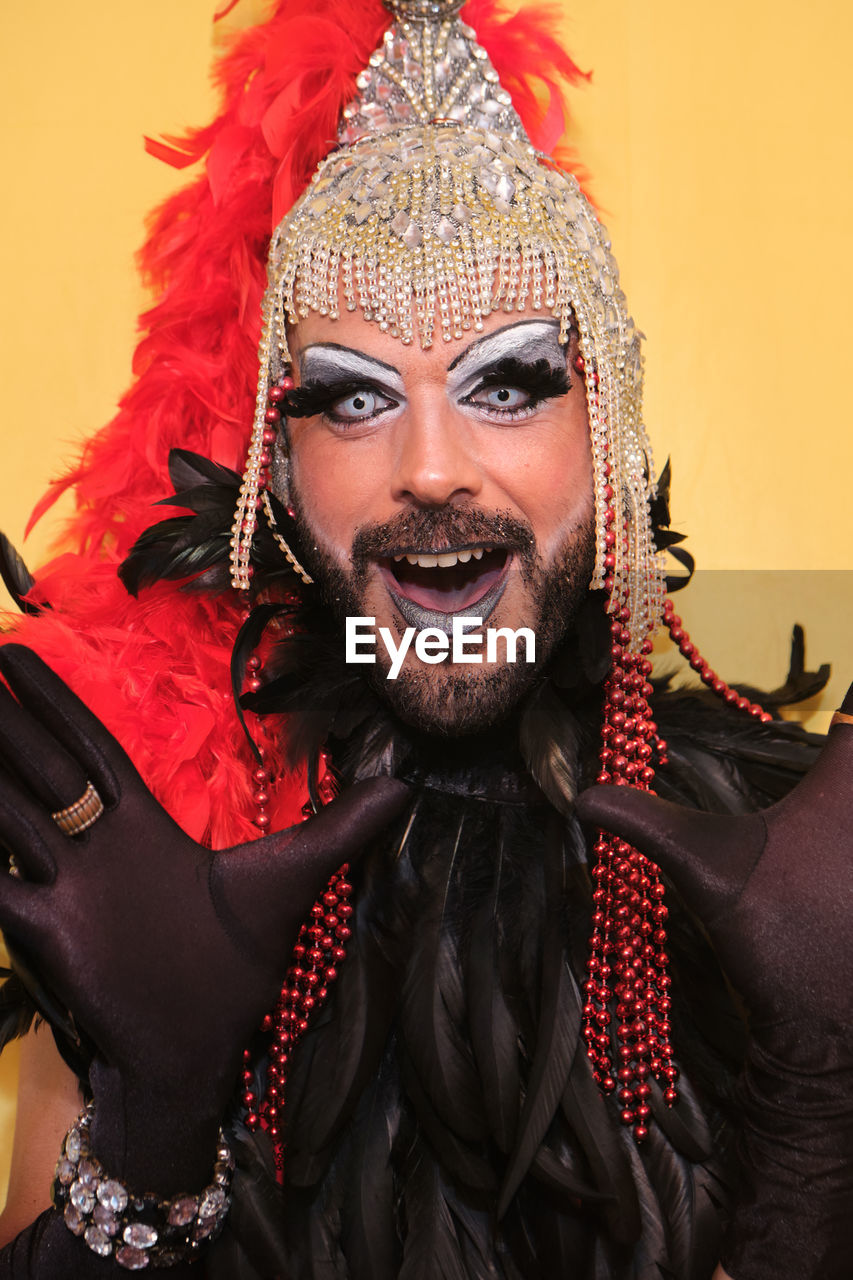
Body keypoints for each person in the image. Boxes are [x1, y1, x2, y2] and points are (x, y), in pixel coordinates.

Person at [0, 0, 850, 1276]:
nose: (434, 468)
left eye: (509, 384)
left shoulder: (798, 865)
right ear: (280, 479)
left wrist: (814, 1120)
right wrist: (149, 1127)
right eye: (353, 398)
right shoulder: (159, 863)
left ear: (605, 436)